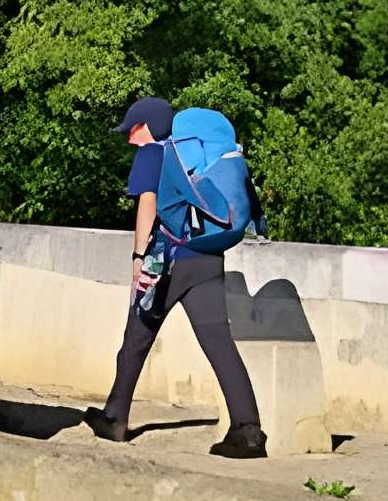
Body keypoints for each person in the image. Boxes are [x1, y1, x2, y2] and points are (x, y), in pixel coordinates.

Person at [87, 96, 268, 457]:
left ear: (149, 127)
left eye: (133, 129)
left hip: (168, 261)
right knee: (219, 343)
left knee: (136, 335)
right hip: (208, 257)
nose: (129, 138)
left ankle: (114, 418)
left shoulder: (154, 154)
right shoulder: (196, 155)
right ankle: (248, 431)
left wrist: (138, 258)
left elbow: (148, 204)